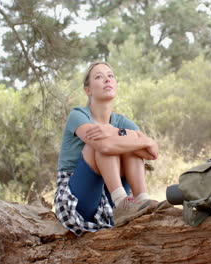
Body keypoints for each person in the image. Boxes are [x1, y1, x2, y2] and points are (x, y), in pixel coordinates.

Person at [55, 62, 159, 236]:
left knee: (127, 140)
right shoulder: (78, 115)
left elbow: (153, 152)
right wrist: (135, 139)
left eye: (110, 76)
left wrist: (119, 132)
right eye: (99, 77)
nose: (107, 80)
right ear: (88, 90)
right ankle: (122, 203)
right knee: (102, 143)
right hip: (79, 200)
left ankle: (142, 201)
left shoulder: (121, 121)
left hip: (109, 205)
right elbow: (103, 146)